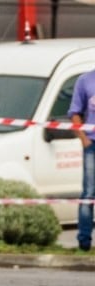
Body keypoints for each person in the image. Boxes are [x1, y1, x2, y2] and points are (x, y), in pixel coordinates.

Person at [69, 68, 95, 251]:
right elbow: (74, 113)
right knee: (89, 192)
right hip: (92, 145)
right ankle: (84, 241)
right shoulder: (85, 80)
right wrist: (84, 140)